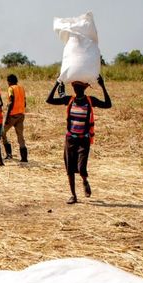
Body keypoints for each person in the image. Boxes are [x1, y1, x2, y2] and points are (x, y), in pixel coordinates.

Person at [46, 75, 112, 204]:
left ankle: (84, 180)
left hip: (84, 139)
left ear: (85, 88)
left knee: (81, 167)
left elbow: (108, 104)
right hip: (70, 139)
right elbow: (49, 100)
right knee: (70, 168)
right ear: (73, 87)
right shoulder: (69, 100)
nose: (77, 89)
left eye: (80, 87)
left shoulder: (90, 100)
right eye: (75, 86)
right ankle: (73, 195)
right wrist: (56, 83)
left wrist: (103, 86)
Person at [2, 74, 28, 162]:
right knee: (20, 136)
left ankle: (9, 154)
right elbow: (25, 102)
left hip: (12, 115)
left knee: (2, 132)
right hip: (21, 114)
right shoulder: (21, 88)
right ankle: (24, 158)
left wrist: (6, 117)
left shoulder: (11, 88)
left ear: (9, 81)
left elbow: (11, 102)